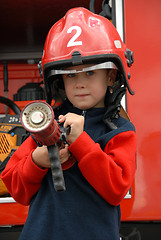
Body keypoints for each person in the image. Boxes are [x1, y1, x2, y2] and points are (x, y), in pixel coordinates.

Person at [1, 7, 137, 240]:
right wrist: (37, 161)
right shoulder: (46, 124)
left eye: (90, 73)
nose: (80, 83)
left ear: (111, 76)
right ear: (58, 80)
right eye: (71, 75)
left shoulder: (119, 130)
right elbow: (16, 190)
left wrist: (81, 143)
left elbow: (116, 190)